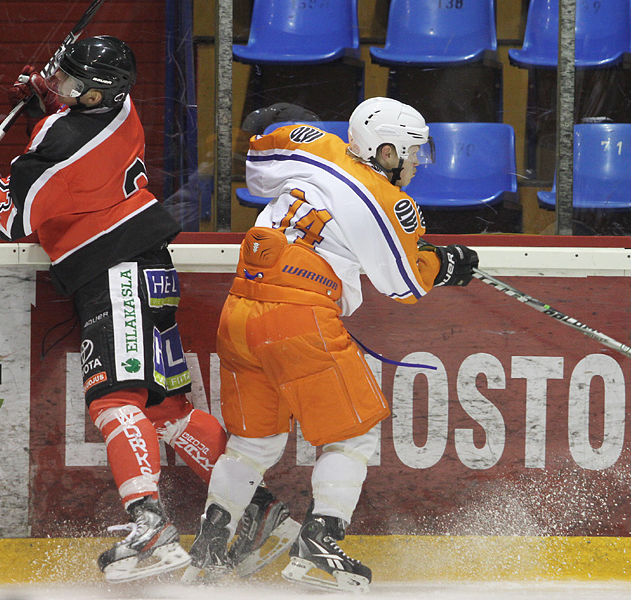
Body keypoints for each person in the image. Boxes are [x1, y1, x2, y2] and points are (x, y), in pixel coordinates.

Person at [0, 35, 294, 583]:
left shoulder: (65, 139)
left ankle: (150, 524)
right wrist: (47, 98)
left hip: (115, 277)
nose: (58, 85)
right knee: (164, 410)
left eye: (68, 83)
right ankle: (259, 511)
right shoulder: (118, 107)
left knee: (114, 400)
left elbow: (12, 218)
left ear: (91, 97)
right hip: (147, 266)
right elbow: (73, 130)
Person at [184, 96, 479, 592]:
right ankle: (319, 544)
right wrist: (445, 265)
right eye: (411, 153)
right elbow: (403, 284)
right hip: (297, 318)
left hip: (238, 312)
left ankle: (211, 544)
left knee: (253, 443)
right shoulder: (390, 201)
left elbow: (255, 166)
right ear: (386, 152)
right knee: (352, 437)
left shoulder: (314, 145)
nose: (415, 164)